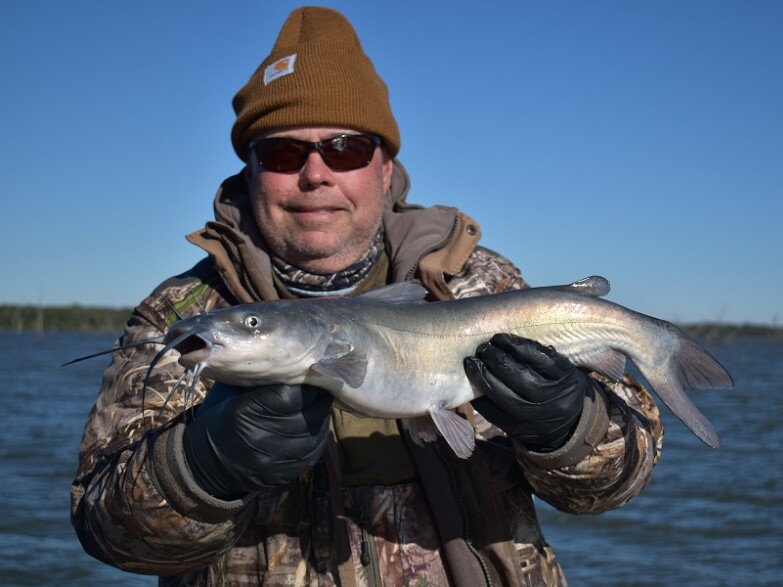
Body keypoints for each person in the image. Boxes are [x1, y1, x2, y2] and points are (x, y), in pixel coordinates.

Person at [71, 7, 662, 586]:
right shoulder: (182, 315)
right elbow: (106, 531)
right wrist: (201, 465)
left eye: (346, 148)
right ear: (249, 173)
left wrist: (569, 424)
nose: (315, 174)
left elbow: (614, 484)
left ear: (385, 168)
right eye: (282, 153)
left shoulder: (482, 282)